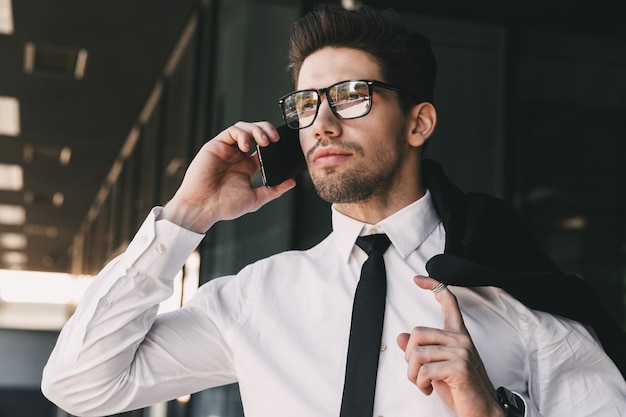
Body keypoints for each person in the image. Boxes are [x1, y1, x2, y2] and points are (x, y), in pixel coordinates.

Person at [42, 4, 625, 417]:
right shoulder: (256, 298)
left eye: (351, 96)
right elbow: (80, 384)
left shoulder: (516, 294)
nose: (322, 122)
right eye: (306, 103)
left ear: (419, 122)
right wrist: (187, 215)